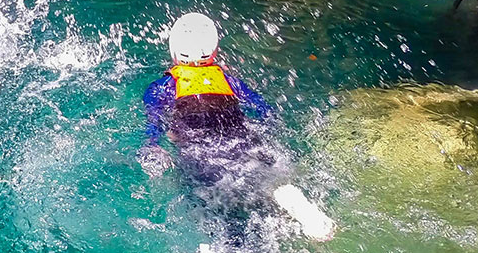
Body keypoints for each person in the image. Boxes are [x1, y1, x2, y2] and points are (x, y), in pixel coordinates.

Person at [142, 12, 335, 241]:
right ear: (214, 52)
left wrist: (152, 146)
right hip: (245, 141)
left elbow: (153, 125)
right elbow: (265, 111)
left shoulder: (163, 87)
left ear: (173, 52)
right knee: (261, 179)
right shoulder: (229, 81)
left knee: (217, 210)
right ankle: (288, 198)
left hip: (203, 153)